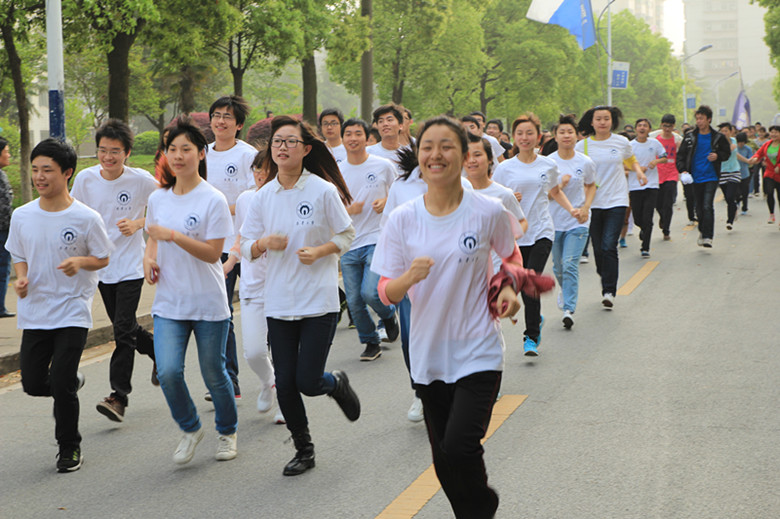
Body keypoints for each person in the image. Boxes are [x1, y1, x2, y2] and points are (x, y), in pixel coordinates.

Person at [372, 116, 523, 519]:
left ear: (465, 154)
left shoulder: (488, 211)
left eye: (446, 146)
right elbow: (385, 291)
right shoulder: (402, 218)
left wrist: (508, 288)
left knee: (460, 447)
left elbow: (510, 258)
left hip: (478, 349)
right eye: (428, 147)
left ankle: (483, 507)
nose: (435, 154)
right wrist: (407, 278)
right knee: (443, 460)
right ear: (419, 157)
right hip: (428, 353)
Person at [239, 116, 360, 476]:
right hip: (277, 301)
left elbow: (347, 234)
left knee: (308, 381)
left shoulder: (322, 191)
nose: (282, 147)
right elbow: (244, 245)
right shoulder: (263, 197)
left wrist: (322, 251)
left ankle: (334, 382)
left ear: (306, 150)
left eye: (290, 142)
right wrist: (262, 244)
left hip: (318, 300)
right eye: (277, 142)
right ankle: (303, 448)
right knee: (286, 383)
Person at [7, 138, 113, 472]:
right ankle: (70, 382)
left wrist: (80, 261)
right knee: (34, 383)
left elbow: (103, 257)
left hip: (71, 309)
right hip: (35, 311)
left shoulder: (86, 217)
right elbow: (19, 254)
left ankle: (69, 448)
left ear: (66, 173)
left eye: (47, 170)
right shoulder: (23, 215)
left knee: (62, 381)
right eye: (35, 169)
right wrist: (21, 278)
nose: (39, 177)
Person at [144, 119, 239, 465]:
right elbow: (152, 236)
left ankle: (227, 431)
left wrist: (175, 237)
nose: (178, 156)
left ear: (201, 154)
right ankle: (190, 428)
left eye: (186, 149)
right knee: (168, 371)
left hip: (208, 302)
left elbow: (215, 253)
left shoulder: (213, 199)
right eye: (172, 149)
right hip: (169, 302)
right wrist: (149, 259)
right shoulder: (158, 198)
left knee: (215, 372)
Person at [71, 119, 159, 423]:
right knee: (127, 327)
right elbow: (75, 214)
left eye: (115, 152)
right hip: (101, 268)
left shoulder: (142, 181)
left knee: (122, 330)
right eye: (103, 151)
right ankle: (158, 351)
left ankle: (118, 396)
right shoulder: (85, 179)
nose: (108, 157)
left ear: (127, 153)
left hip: (131, 266)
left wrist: (139, 224)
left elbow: (170, 206)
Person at [383, 138, 474, 423]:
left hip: (453, 278)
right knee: (413, 338)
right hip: (413, 279)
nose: (434, 157)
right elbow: (389, 230)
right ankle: (421, 392)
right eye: (426, 150)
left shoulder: (463, 186)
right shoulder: (401, 187)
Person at [493, 112, 580, 355]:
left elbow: (554, 191)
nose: (524, 137)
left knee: (528, 280)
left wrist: (572, 209)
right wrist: (510, 197)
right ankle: (536, 319)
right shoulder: (504, 168)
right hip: (516, 235)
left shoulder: (548, 165)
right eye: (519, 133)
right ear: (513, 137)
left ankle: (530, 336)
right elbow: (494, 197)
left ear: (538, 136)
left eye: (529, 133)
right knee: (523, 283)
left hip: (542, 231)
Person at [222, 152, 284, 423]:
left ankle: (285, 400)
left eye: (266, 169)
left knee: (282, 350)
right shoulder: (247, 199)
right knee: (255, 352)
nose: (260, 174)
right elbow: (240, 237)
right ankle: (269, 382)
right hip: (252, 284)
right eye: (257, 169)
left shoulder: (285, 198)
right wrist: (228, 263)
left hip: (283, 284)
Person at [205, 95, 257, 400]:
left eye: (227, 117)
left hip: (244, 245)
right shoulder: (201, 154)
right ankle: (229, 381)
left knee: (253, 311)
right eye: (216, 115)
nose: (220, 121)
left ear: (238, 125)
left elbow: (256, 198)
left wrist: (221, 208)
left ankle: (269, 370)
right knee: (219, 312)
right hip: (212, 247)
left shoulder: (247, 156)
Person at [338, 118, 399, 361]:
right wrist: (347, 211)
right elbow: (331, 205)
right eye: (348, 134)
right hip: (349, 242)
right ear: (342, 139)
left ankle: (388, 314)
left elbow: (400, 192)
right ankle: (370, 342)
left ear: (367, 138)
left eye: (358, 133)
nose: (353, 138)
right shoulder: (338, 170)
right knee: (353, 301)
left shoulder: (383, 165)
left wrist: (386, 202)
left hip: (378, 237)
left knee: (371, 293)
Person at [576, 106, 647, 307]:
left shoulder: (621, 141)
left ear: (611, 121)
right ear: (592, 122)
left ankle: (609, 290)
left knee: (609, 245)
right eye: (598, 119)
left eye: (606, 118)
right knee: (598, 248)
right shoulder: (583, 146)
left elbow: (630, 159)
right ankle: (605, 274)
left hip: (617, 199)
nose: (602, 122)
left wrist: (639, 172)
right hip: (592, 202)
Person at [549, 115, 596, 328]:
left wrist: (585, 207)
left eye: (570, 132)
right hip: (554, 222)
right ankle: (564, 289)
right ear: (555, 136)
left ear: (576, 135)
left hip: (578, 221)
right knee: (558, 267)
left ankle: (568, 308)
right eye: (562, 132)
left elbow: (591, 185)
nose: (566, 136)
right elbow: (545, 195)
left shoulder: (585, 162)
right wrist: (560, 184)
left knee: (569, 264)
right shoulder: (548, 163)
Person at [463, 132, 528, 274]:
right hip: (465, 268)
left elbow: (522, 221)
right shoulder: (454, 193)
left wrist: (508, 238)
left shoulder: (503, 194)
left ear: (490, 159)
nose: (471, 160)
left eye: (477, 155)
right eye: (467, 156)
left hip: (497, 267)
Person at [675, 105, 731, 248]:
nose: (699, 121)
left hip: (711, 176)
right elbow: (680, 156)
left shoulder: (718, 137)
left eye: (702, 118)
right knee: (699, 207)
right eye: (697, 118)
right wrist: (683, 170)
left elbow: (726, 153)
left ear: (709, 119)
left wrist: (718, 156)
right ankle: (702, 230)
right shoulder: (690, 137)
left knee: (707, 205)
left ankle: (708, 236)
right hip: (695, 177)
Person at [629, 118, 667, 257]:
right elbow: (623, 164)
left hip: (651, 185)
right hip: (635, 185)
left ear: (649, 129)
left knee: (648, 216)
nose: (642, 128)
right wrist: (637, 169)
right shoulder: (630, 145)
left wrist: (656, 161)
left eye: (645, 125)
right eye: (639, 125)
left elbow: (664, 157)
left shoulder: (655, 143)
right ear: (636, 129)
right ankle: (643, 230)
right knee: (638, 217)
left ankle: (645, 247)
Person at [653, 114, 682, 240]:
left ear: (673, 126)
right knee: (658, 203)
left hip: (672, 172)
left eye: (670, 126)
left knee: (668, 202)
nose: (667, 129)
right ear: (661, 125)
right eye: (665, 126)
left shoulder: (677, 140)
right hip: (657, 173)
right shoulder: (654, 138)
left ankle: (666, 229)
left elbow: (681, 156)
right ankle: (662, 217)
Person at [749, 125, 780, 226]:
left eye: (776, 132)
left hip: (779, 174)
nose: (773, 134)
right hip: (770, 173)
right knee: (769, 192)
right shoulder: (767, 144)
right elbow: (759, 153)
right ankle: (771, 214)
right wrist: (755, 158)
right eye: (772, 132)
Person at [368, 104, 410, 173]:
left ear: (400, 125)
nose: (385, 124)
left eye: (389, 120)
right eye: (381, 121)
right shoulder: (368, 153)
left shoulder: (408, 155)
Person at [0, 137, 15, 317]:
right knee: (3, 268)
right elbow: (4, 206)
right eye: (6, 151)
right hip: (2, 230)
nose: (9, 155)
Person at [716, 123, 741, 231]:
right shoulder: (717, 143)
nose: (724, 133)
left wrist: (748, 160)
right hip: (722, 172)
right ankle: (734, 208)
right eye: (722, 131)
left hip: (734, 171)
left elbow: (736, 155)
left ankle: (730, 221)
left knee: (730, 196)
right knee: (728, 198)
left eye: (726, 130)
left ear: (731, 131)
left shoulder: (734, 141)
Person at [735, 132, 753, 215]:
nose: (740, 144)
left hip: (745, 173)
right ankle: (738, 201)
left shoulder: (748, 149)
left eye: (742, 142)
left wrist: (747, 161)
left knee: (745, 192)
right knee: (737, 191)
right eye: (739, 142)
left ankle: (744, 207)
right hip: (735, 173)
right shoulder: (734, 148)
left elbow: (750, 160)